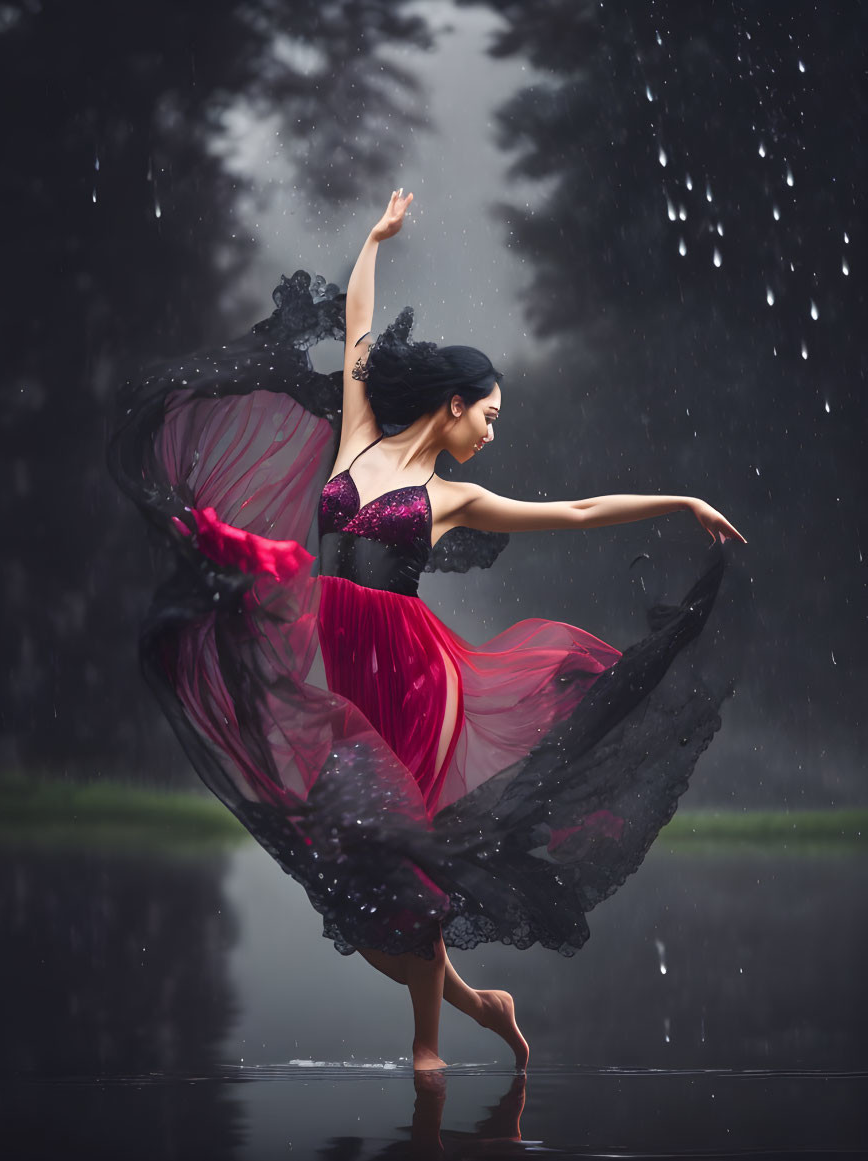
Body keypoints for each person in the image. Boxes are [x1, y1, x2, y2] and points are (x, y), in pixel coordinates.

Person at [107, 189, 746, 1075]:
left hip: (415, 679)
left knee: (403, 856)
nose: (490, 431)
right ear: (451, 402)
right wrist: (373, 240)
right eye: (487, 414)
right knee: (358, 879)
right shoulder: (359, 438)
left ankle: (427, 1046)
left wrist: (678, 499)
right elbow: (360, 325)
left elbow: (579, 508)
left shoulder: (455, 499)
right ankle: (481, 1002)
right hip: (337, 674)